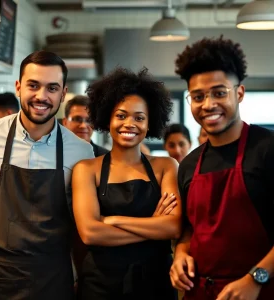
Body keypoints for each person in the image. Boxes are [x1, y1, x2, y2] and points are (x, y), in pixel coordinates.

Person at [0, 50, 94, 299]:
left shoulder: (81, 151)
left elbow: (81, 223)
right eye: (33, 85)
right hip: (2, 273)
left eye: (52, 88)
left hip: (55, 273)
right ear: (18, 87)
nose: (42, 96)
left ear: (63, 93)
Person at [169, 36, 274, 300]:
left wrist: (255, 279)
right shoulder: (189, 165)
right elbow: (190, 229)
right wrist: (181, 253)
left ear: (239, 93)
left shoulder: (267, 149)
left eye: (219, 93)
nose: (208, 105)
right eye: (198, 96)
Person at [72, 67, 182, 300]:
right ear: (107, 118)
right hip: (101, 284)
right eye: (121, 115)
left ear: (150, 122)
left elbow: (173, 227)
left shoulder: (166, 166)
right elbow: (90, 233)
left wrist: (114, 220)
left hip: (156, 282)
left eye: (139, 117)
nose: (129, 124)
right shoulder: (86, 169)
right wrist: (153, 226)